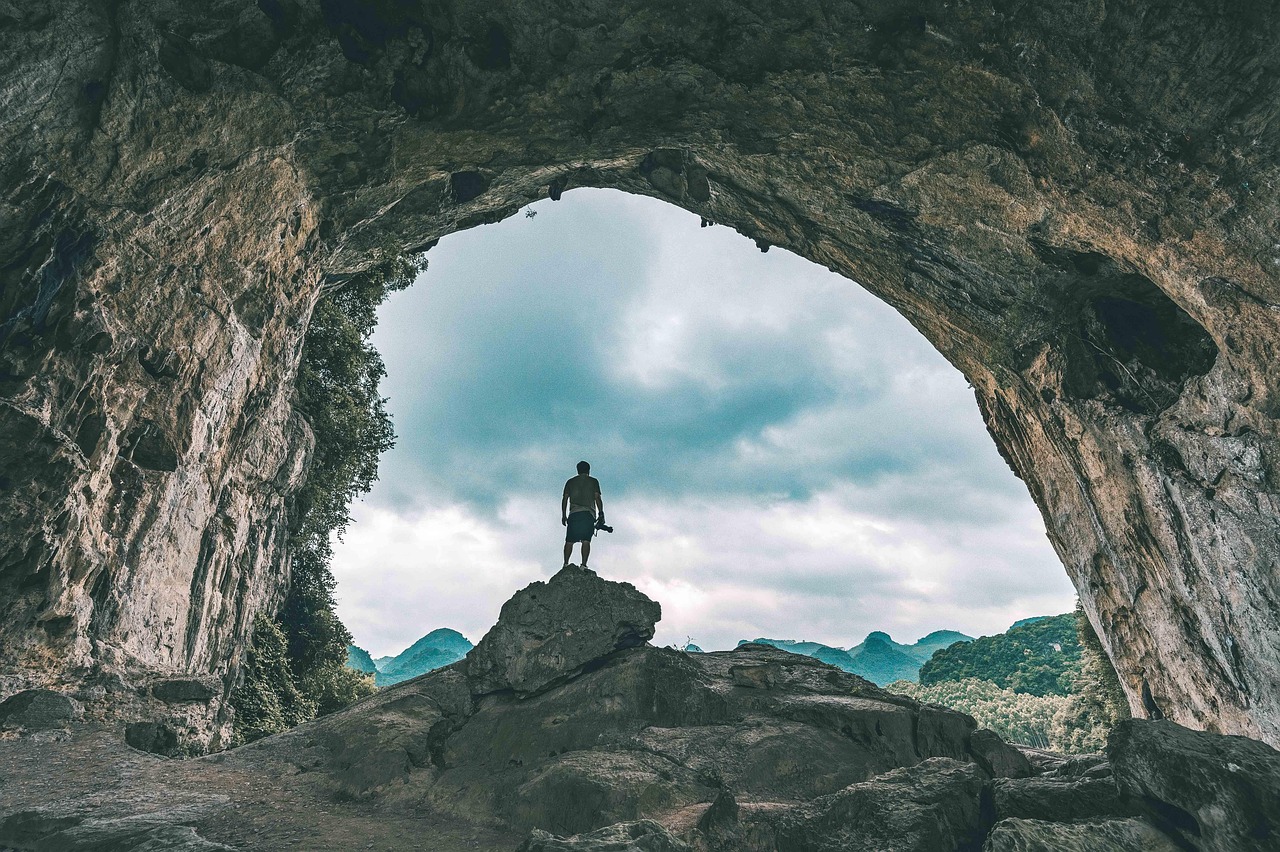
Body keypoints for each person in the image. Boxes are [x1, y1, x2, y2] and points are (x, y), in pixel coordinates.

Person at [562, 460, 604, 568]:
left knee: (569, 540)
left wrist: (563, 515)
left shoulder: (570, 482)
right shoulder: (593, 481)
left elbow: (565, 499)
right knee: (586, 540)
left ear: (578, 470)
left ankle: (565, 564)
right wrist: (601, 513)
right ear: (588, 470)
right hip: (588, 514)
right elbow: (597, 498)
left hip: (574, 513)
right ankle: (584, 565)